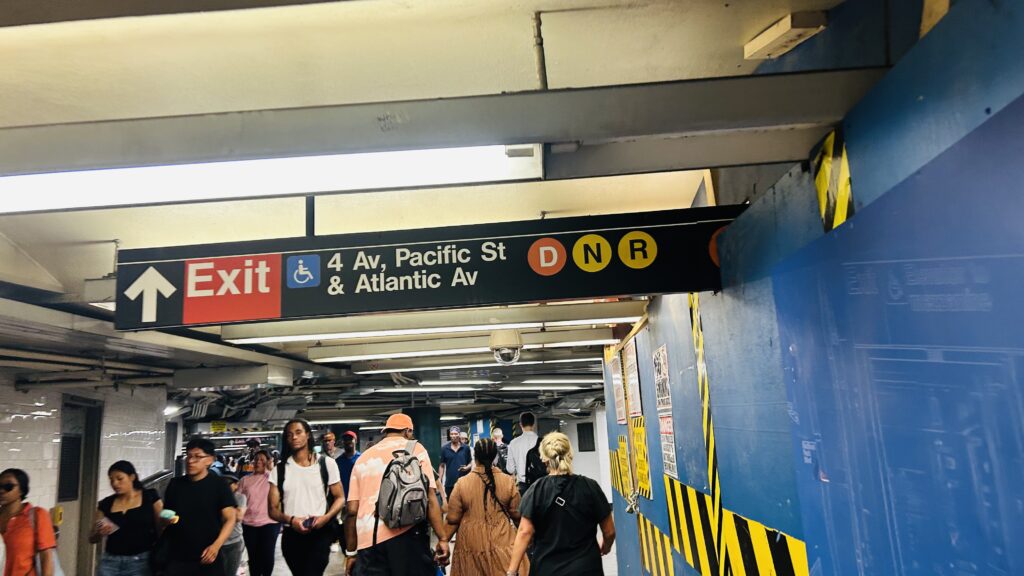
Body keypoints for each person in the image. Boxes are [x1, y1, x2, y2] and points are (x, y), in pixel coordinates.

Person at [343, 413, 450, 576]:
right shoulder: (416, 450)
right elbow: (430, 498)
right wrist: (442, 538)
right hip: (408, 537)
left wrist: (351, 553)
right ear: (408, 431)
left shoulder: (363, 458)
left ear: (386, 431)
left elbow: (351, 511)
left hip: (369, 541)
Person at [506, 433, 615, 576]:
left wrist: (512, 571)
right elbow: (609, 531)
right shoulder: (590, 487)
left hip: (547, 569)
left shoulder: (536, 490)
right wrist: (606, 547)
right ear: (570, 454)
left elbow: (525, 532)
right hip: (586, 568)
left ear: (544, 458)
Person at [267, 419, 344, 576]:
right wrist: (291, 520)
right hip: (292, 535)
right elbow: (272, 509)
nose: (294, 437)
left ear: (308, 435)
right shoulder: (279, 470)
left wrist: (326, 518)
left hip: (320, 533)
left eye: (298, 432)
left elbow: (340, 497)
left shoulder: (326, 464)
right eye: (289, 435)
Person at [442, 439, 528, 576]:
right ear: (495, 456)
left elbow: (452, 520)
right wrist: (527, 540)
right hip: (502, 540)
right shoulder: (508, 481)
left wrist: (443, 541)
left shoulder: (462, 483)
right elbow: (517, 515)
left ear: (475, 456)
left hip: (470, 544)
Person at [161, 438, 237, 576]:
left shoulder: (219, 485)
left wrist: (216, 546)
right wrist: (166, 518)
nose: (190, 461)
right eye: (189, 456)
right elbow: (167, 513)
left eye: (198, 456)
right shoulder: (175, 484)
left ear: (210, 460)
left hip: (207, 555)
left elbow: (230, 518)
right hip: (177, 557)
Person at [91, 460, 164, 576]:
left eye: (119, 479)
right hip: (110, 562)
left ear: (132, 477)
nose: (115, 484)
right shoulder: (106, 503)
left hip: (141, 561)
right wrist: (99, 533)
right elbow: (92, 538)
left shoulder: (150, 497)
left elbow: (162, 527)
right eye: (111, 480)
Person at [0, 468, 57, 576]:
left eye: (8, 487)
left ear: (21, 490)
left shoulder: (37, 515)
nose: (2, 491)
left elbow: (46, 556)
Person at [237, 450, 279, 576]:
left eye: (261, 459)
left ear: (268, 461)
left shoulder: (272, 477)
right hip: (249, 524)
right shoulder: (245, 480)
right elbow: (239, 500)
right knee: (253, 556)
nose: (258, 462)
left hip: (270, 523)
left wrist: (271, 468)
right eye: (256, 459)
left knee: (267, 554)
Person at [505, 413, 539, 495]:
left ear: (520, 424)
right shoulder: (542, 441)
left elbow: (510, 469)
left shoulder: (513, 443)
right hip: (539, 484)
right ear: (534, 424)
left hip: (523, 486)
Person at [220, 475, 247, 576]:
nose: (226, 485)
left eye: (229, 483)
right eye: (224, 483)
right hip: (218, 542)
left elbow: (239, 517)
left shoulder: (240, 497)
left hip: (234, 541)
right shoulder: (216, 497)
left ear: (236, 485)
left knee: (231, 572)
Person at [438, 426, 472, 499]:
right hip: (450, 484)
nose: (453, 436)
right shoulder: (444, 449)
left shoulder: (466, 448)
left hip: (464, 483)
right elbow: (441, 465)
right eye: (452, 434)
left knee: (465, 503)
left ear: (459, 434)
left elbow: (470, 463)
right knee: (451, 504)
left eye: (456, 434)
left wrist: (466, 468)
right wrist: (439, 479)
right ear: (449, 435)